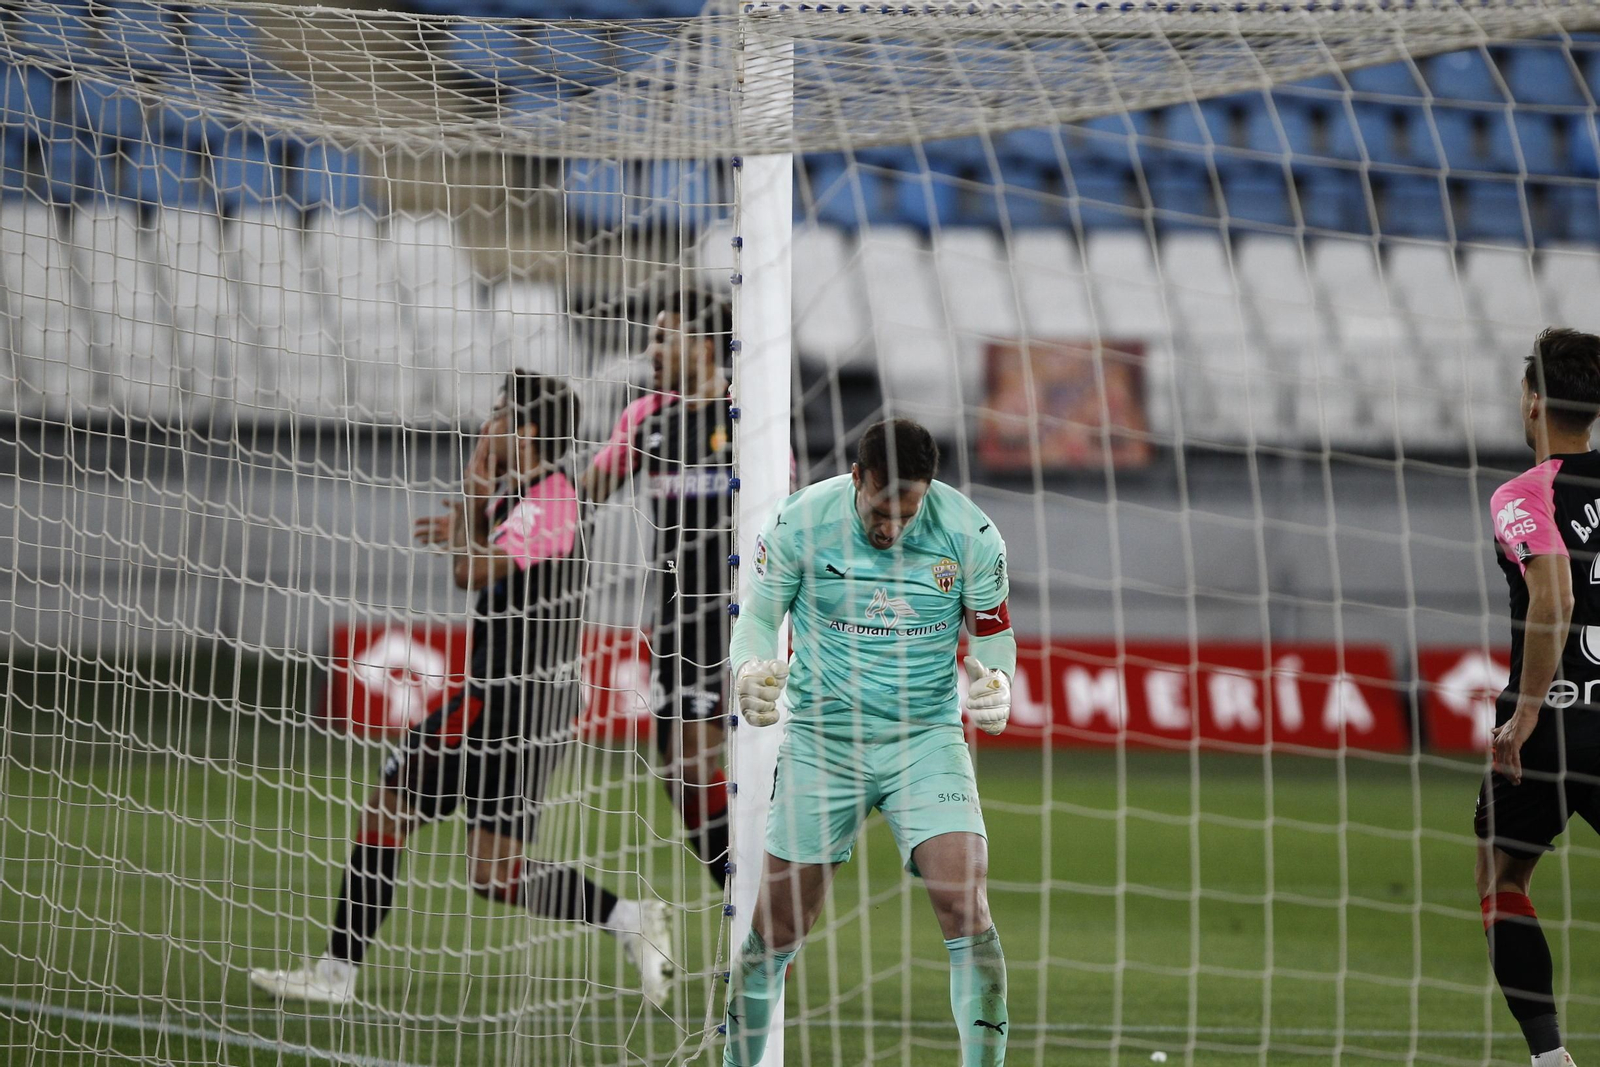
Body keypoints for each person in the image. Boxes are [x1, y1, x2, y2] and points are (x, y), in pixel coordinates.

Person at [249, 371, 673, 1007]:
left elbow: (472, 572)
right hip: (519, 701)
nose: (487, 421)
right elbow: (469, 568)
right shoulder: (521, 495)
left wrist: (473, 505)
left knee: (388, 814)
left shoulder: (553, 503)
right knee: (492, 873)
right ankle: (626, 917)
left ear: (525, 429)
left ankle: (335, 975)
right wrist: (475, 509)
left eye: (499, 411)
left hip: (511, 703)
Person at [722, 417, 1014, 1067]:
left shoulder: (970, 533)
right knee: (777, 930)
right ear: (857, 478)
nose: (894, 527)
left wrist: (997, 678)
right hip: (824, 740)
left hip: (924, 738)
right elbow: (760, 617)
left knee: (966, 905)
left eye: (908, 512)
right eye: (882, 509)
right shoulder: (800, 523)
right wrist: (747, 669)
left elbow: (994, 631)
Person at [583, 290, 736, 890]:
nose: (652, 350)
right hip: (672, 616)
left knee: (698, 766)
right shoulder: (646, 418)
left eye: (665, 338)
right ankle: (748, 893)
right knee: (677, 777)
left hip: (733, 614)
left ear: (702, 348)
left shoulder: (747, 413)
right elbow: (589, 491)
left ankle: (763, 913)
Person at [1478, 327, 1600, 1067]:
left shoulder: (1525, 494)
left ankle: (1549, 1060)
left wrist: (1525, 709)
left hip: (1551, 726)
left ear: (1532, 402)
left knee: (1502, 872)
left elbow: (1551, 596)